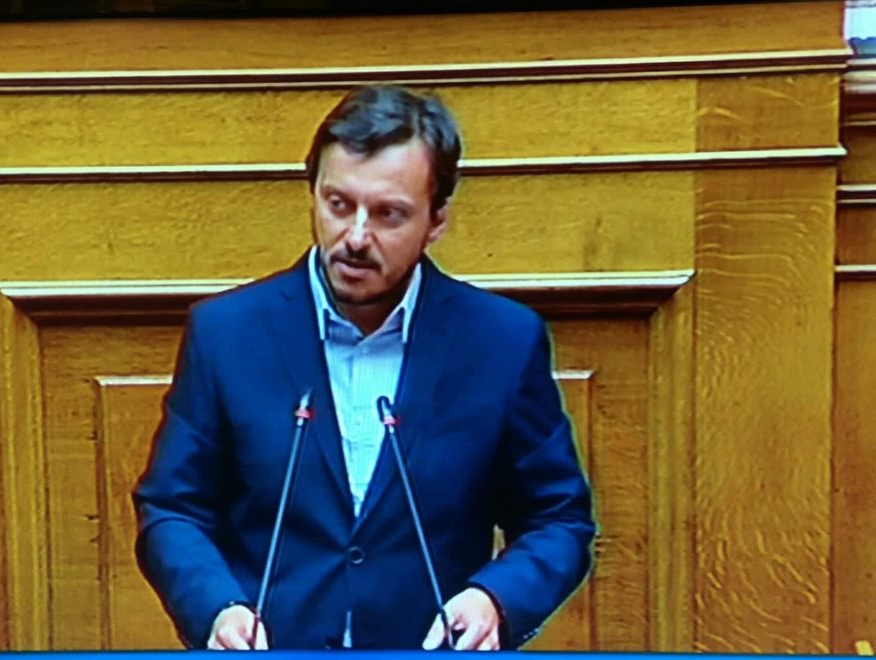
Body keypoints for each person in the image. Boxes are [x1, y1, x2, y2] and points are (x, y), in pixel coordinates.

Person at [132, 85, 595, 651]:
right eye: (338, 204)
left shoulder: (500, 342)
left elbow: (558, 519)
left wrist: (495, 599)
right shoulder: (227, 334)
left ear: (437, 221)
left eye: (388, 214)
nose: (355, 237)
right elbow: (172, 508)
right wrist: (217, 607)